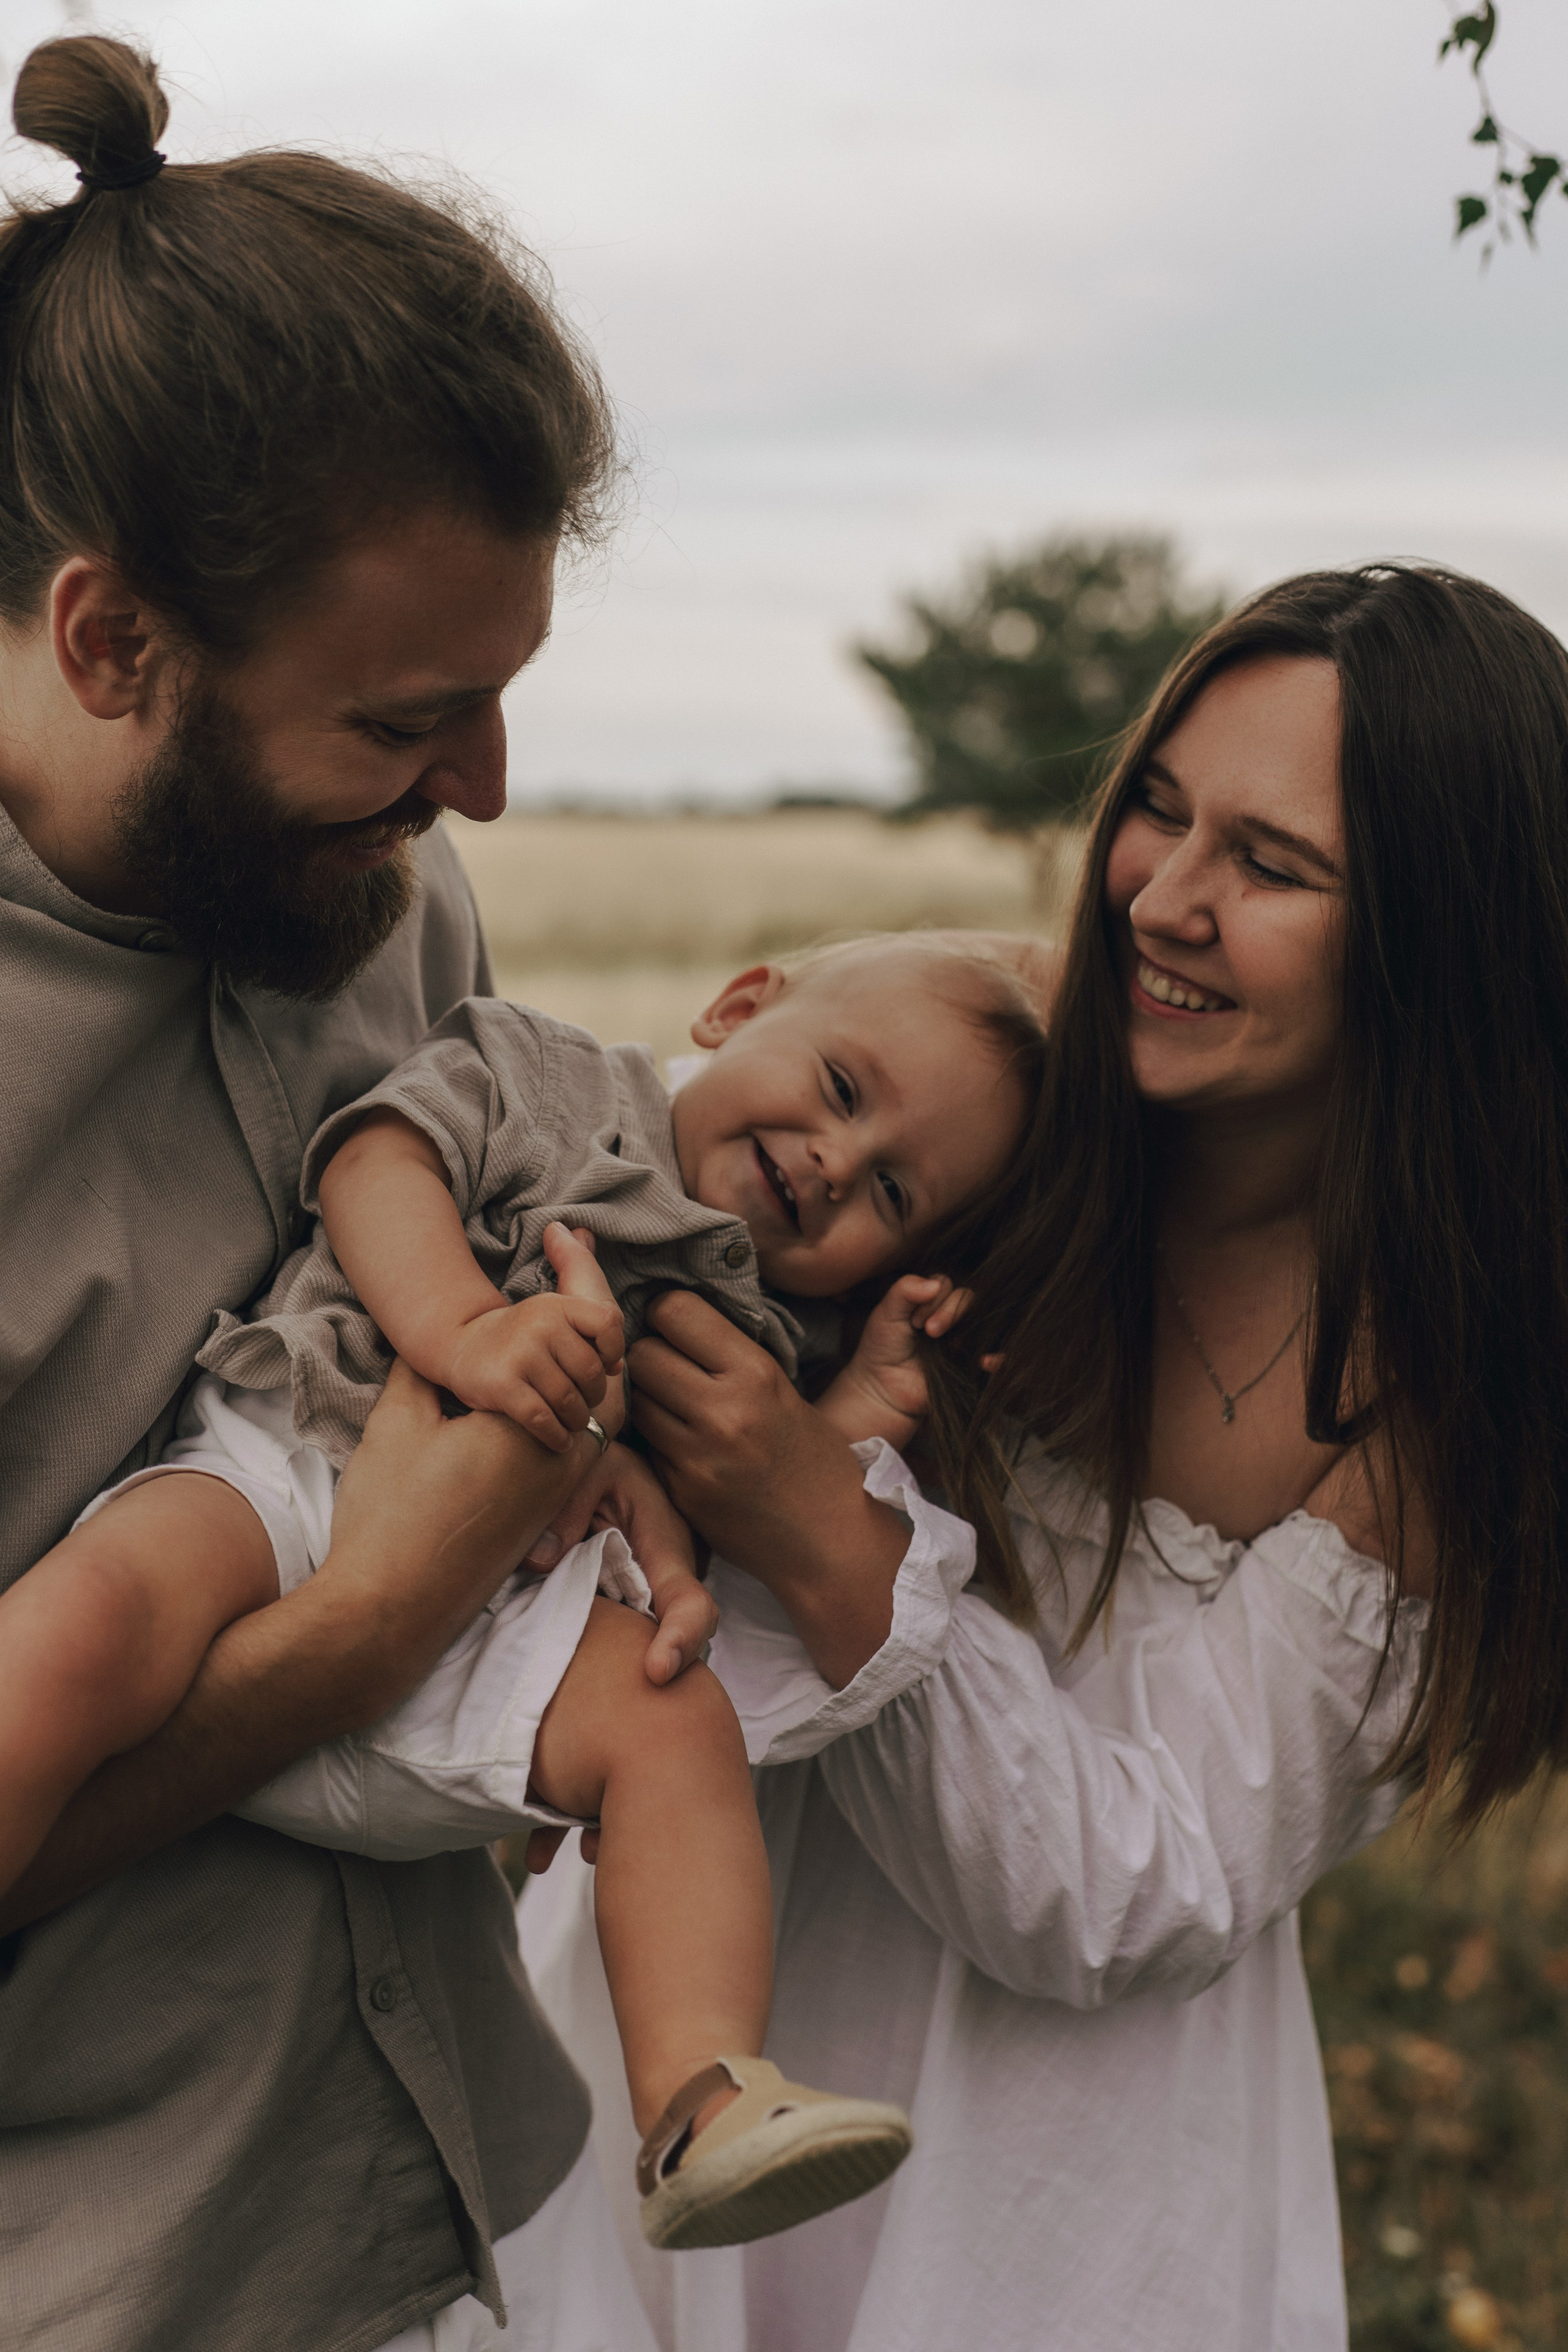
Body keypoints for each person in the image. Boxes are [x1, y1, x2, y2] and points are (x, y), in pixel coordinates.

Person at [521, 562, 1568, 2351]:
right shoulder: (994, 1092)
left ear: (1435, 936)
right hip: (683, 2029)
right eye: (1158, 809)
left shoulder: (1444, 1389)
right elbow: (636, 1151)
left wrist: (826, 1532)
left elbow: (1131, 1889)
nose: (1166, 897)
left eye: (1275, 866)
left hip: (1043, 2195)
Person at [0, 29, 674, 2352]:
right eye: (402, 721)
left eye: (496, 701)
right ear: (115, 643)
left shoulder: (384, 899)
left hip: (468, 2207)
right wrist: (363, 1638)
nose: (471, 787)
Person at [4, 933, 1047, 2247]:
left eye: (892, 1193)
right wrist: (460, 1327)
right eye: (841, 1089)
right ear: (736, 1006)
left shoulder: (782, 1319)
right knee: (89, 1626)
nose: (834, 1162)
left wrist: (853, 1407)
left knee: (676, 1729)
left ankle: (700, 2101)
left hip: (504, 1618)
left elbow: (747, 1491)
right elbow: (374, 1158)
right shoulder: (554, 1081)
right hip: (297, 1467)